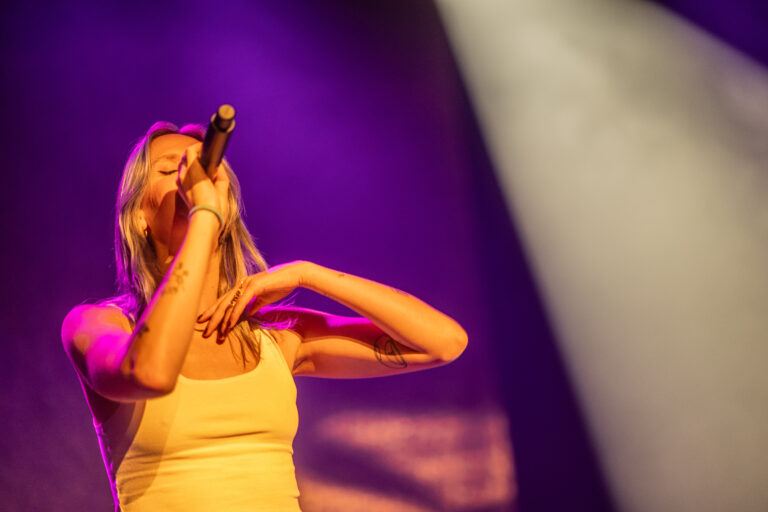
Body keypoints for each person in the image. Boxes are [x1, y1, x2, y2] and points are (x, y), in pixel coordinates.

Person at [60, 121, 469, 511]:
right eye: (172, 169)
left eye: (203, 169)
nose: (192, 176)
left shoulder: (274, 335)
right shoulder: (100, 325)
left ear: (229, 204)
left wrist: (309, 274)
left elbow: (444, 342)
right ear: (140, 219)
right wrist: (204, 214)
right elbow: (151, 372)